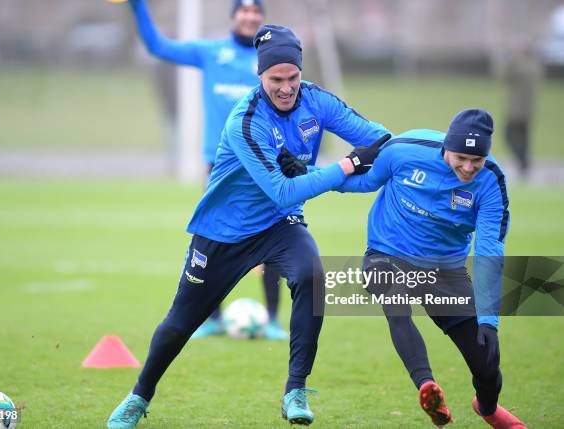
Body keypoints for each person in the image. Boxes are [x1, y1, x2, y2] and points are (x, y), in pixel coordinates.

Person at [106, 24, 391, 428]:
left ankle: (295, 389)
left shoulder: (317, 101)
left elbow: (381, 139)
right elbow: (282, 190)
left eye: (293, 77)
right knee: (179, 325)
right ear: (260, 76)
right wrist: (342, 166)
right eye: (277, 79)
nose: (287, 87)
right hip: (224, 232)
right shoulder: (247, 120)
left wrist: (360, 163)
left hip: (279, 227)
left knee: (312, 276)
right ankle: (139, 395)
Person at [331, 109, 525, 428]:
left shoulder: (491, 181)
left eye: (476, 160)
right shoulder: (405, 150)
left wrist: (489, 320)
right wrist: (309, 175)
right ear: (446, 147)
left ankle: (488, 408)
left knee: (487, 363)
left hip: (444, 271)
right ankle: (427, 386)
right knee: (395, 303)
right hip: (387, 254)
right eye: (461, 157)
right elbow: (364, 180)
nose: (468, 167)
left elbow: (490, 251)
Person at [127, 0, 288, 340]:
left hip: (264, 161)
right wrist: (138, 6)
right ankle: (212, 317)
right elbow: (158, 47)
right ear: (234, 17)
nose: (249, 16)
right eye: (243, 10)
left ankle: (272, 320)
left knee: (275, 235)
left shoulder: (270, 59)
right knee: (213, 238)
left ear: (261, 18)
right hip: (221, 165)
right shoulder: (211, 52)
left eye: (255, 11)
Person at [504, 41, 541, 178]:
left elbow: (503, 76)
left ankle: (523, 162)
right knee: (524, 139)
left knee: (508, 135)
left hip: (516, 111)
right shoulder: (534, 67)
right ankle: (524, 165)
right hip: (528, 111)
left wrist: (509, 59)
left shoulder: (519, 66)